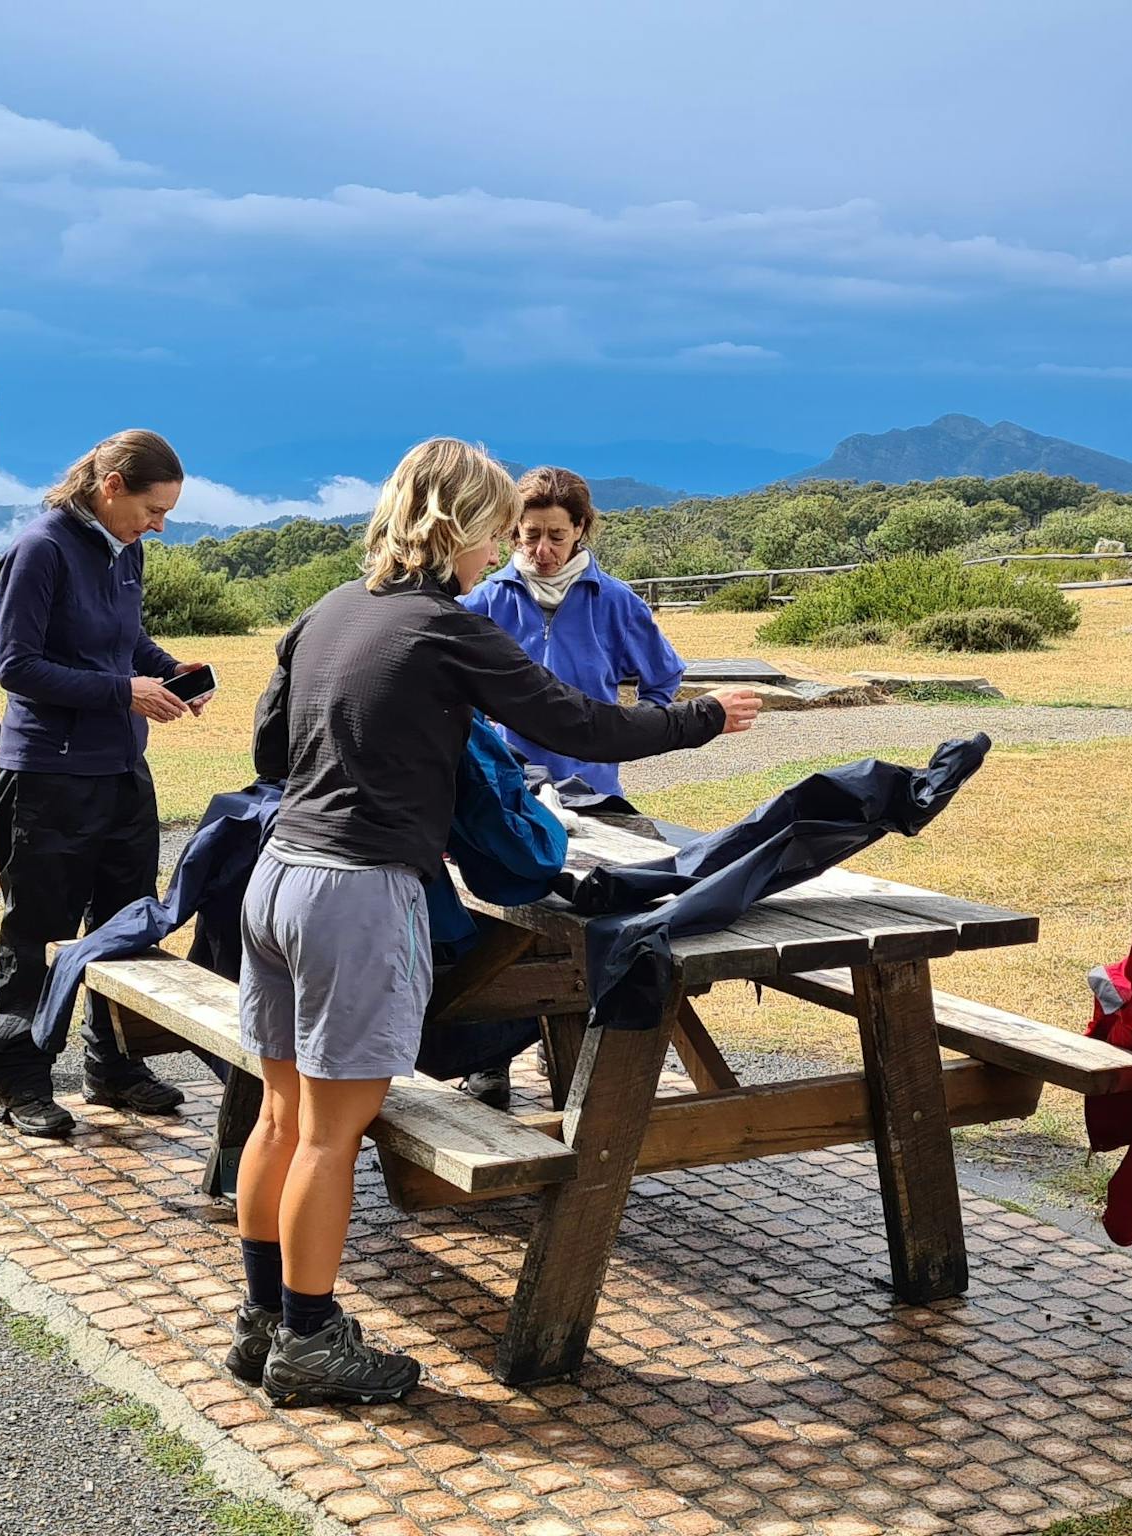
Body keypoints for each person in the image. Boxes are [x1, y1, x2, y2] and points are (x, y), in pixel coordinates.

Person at [229, 438, 760, 1407]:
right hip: (355, 895)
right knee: (330, 1135)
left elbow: (272, 747)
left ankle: (263, 1320)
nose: (498, 552)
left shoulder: (328, 611)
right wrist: (702, 716)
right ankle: (308, 1341)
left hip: (276, 880)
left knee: (280, 1115)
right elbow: (577, 725)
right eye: (494, 532)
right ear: (459, 525)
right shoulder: (444, 628)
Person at [0, 430, 210, 1139]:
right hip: (49, 774)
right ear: (111, 486)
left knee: (124, 925)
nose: (159, 526)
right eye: (152, 509)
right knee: (37, 931)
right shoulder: (40, 549)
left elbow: (123, 640)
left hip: (121, 767)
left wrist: (168, 670)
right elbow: (15, 667)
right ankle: (18, 1079)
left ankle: (112, 1065)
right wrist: (123, 691)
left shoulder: (124, 547)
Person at [454, 465, 686, 1107]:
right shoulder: (484, 600)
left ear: (581, 529)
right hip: (504, 794)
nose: (542, 550)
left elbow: (663, 680)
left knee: (586, 923)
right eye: (529, 536)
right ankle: (489, 1057)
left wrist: (632, 729)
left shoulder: (615, 601)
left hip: (593, 796)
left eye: (556, 535)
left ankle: (583, 1055)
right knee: (499, 928)